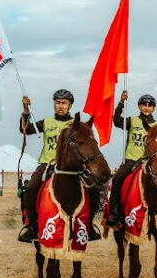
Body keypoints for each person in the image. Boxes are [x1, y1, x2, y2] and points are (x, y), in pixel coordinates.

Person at [17, 90, 101, 242]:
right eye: (58, 103)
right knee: (30, 189)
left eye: (64, 103)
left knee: (94, 189)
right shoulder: (46, 122)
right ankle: (32, 226)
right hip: (47, 164)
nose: (60, 106)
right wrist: (25, 110)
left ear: (70, 106)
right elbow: (25, 129)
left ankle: (88, 226)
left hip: (72, 166)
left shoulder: (76, 125)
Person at [105, 91, 157, 227]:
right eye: (144, 105)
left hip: (150, 162)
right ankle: (114, 212)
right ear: (139, 106)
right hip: (131, 160)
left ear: (154, 108)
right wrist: (121, 103)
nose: (147, 107)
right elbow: (117, 121)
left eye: (150, 105)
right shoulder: (132, 120)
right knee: (117, 179)